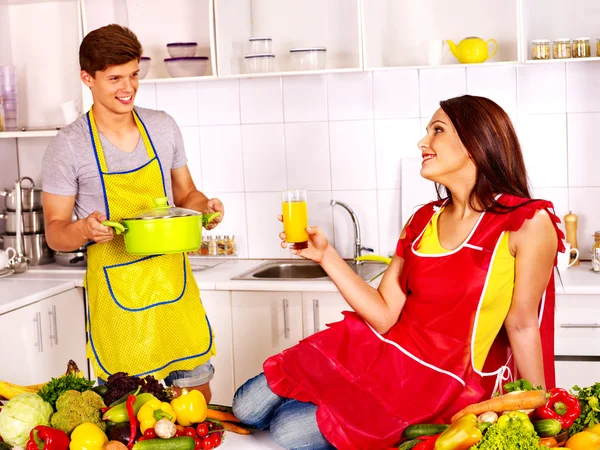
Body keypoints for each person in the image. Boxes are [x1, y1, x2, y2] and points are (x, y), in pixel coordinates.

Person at [232, 95, 565, 450]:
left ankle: (344, 406)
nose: (423, 142)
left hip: (440, 384)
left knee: (286, 430)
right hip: (383, 353)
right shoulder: (423, 220)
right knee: (246, 407)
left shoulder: (525, 223)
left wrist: (543, 417)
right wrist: (326, 255)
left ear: (475, 143)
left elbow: (524, 324)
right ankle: (342, 400)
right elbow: (385, 313)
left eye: (437, 130)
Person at [42, 24, 224, 402]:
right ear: (87, 78)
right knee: (131, 412)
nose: (128, 87)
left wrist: (204, 209)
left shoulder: (162, 126)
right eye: (115, 78)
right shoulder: (69, 145)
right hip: (118, 297)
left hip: (173, 284)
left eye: (134, 75)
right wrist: (84, 229)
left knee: (195, 401)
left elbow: (186, 194)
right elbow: (55, 232)